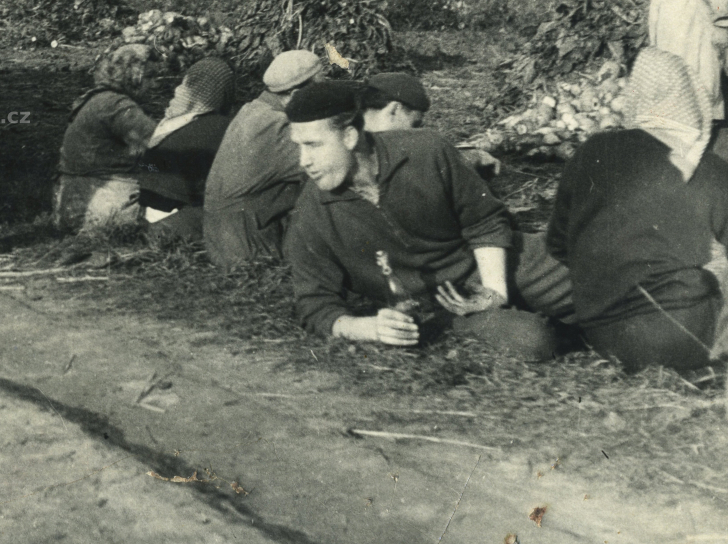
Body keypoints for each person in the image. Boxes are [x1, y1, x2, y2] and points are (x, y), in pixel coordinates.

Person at [285, 81, 574, 361]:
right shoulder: (312, 212)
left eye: (312, 145)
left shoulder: (427, 150)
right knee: (535, 341)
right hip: (441, 309)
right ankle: (568, 329)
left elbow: (485, 221)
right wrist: (369, 328)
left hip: (495, 261)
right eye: (299, 146)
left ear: (349, 137)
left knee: (597, 274)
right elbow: (314, 303)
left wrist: (494, 291)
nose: (303, 160)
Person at [546, 48, 728, 371]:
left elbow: (559, 245)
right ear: (690, 101)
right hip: (687, 335)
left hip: (607, 338)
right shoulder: (709, 169)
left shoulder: (593, 150)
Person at [201, 50, 323, 266]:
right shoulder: (276, 124)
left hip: (226, 239)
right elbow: (325, 163)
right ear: (295, 94)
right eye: (319, 89)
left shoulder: (255, 110)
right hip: (246, 250)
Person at [54, 44, 191, 234]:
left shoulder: (98, 100)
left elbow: (142, 159)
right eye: (150, 77)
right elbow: (161, 143)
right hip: (101, 206)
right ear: (133, 75)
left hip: (73, 204)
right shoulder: (116, 106)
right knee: (185, 214)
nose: (155, 84)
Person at [136, 57, 237, 240]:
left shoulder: (173, 121)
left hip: (147, 209)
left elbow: (150, 166)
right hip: (174, 217)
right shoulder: (220, 127)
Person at [360, 71, 501, 179]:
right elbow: (410, 171)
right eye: (415, 124)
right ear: (395, 109)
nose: (415, 131)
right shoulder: (364, 149)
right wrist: (469, 159)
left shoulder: (348, 134)